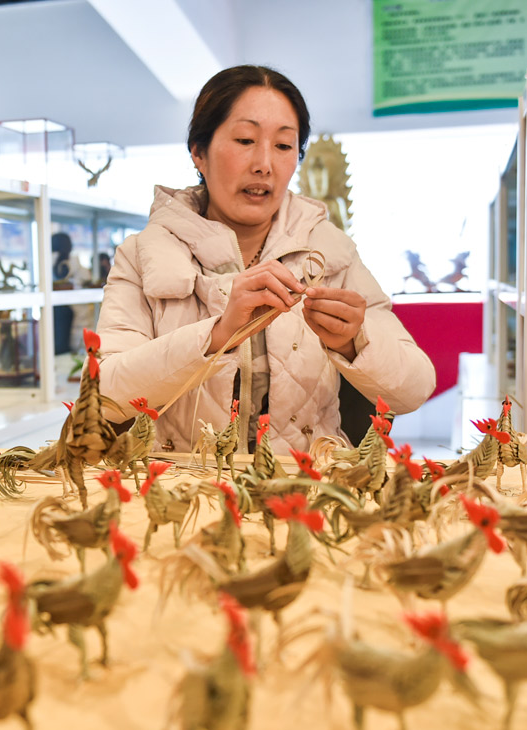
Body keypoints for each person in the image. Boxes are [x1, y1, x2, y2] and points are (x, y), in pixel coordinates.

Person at [96, 65, 435, 454]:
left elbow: (415, 389)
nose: (264, 164)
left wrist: (354, 343)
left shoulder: (331, 253)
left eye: (284, 146)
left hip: (303, 478)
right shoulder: (144, 255)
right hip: (184, 480)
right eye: (245, 140)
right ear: (199, 153)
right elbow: (106, 394)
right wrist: (218, 334)